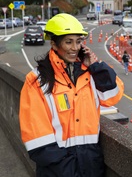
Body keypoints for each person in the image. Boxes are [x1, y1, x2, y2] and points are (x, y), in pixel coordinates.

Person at [19, 13, 124, 177]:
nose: (75, 47)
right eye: (68, 42)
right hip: (56, 169)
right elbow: (36, 136)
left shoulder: (88, 73)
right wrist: (65, 168)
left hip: (91, 164)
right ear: (54, 44)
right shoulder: (37, 80)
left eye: (78, 41)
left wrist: (96, 66)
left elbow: (112, 96)